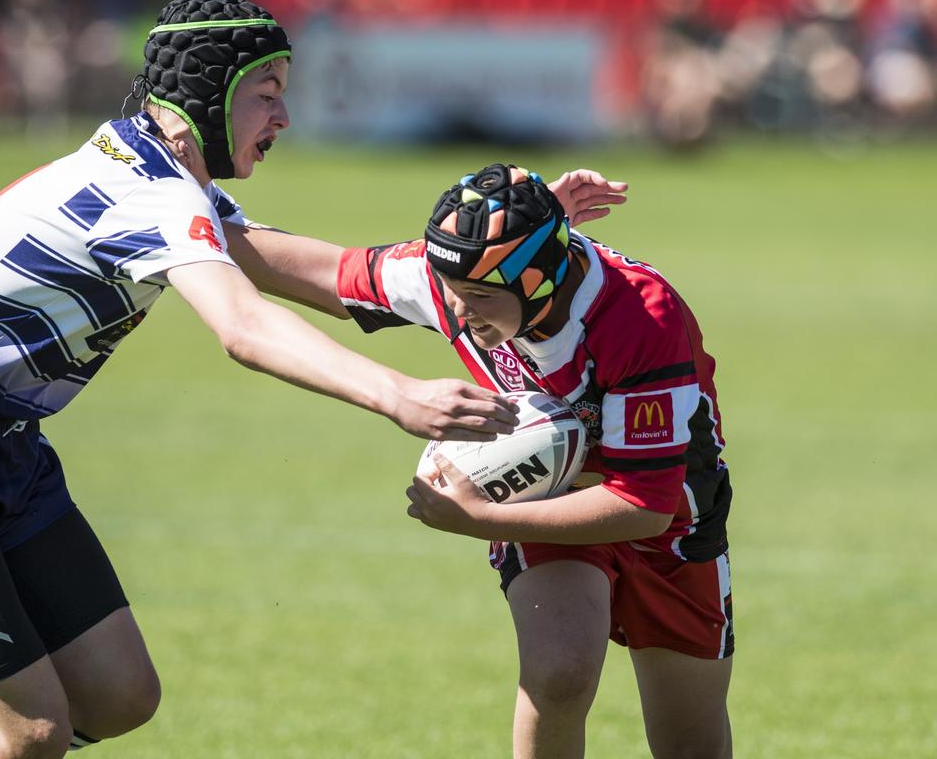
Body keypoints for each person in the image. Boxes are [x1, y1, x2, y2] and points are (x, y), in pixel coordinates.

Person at [0, 0, 524, 759]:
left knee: (117, 695)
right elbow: (243, 326)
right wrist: (397, 394)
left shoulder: (156, 169)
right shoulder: (148, 194)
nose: (285, 118)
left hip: (5, 448)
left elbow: (324, 276)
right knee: (31, 732)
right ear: (205, 95)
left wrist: (499, 254)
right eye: (266, 95)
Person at [299, 163, 734, 758]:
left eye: (478, 297)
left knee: (692, 744)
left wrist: (483, 520)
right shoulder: (460, 274)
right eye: (451, 289)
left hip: (674, 517)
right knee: (560, 672)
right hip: (551, 499)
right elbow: (319, 272)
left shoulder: (638, 315)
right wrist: (194, 217)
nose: (457, 309)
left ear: (539, 280)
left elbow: (645, 505)